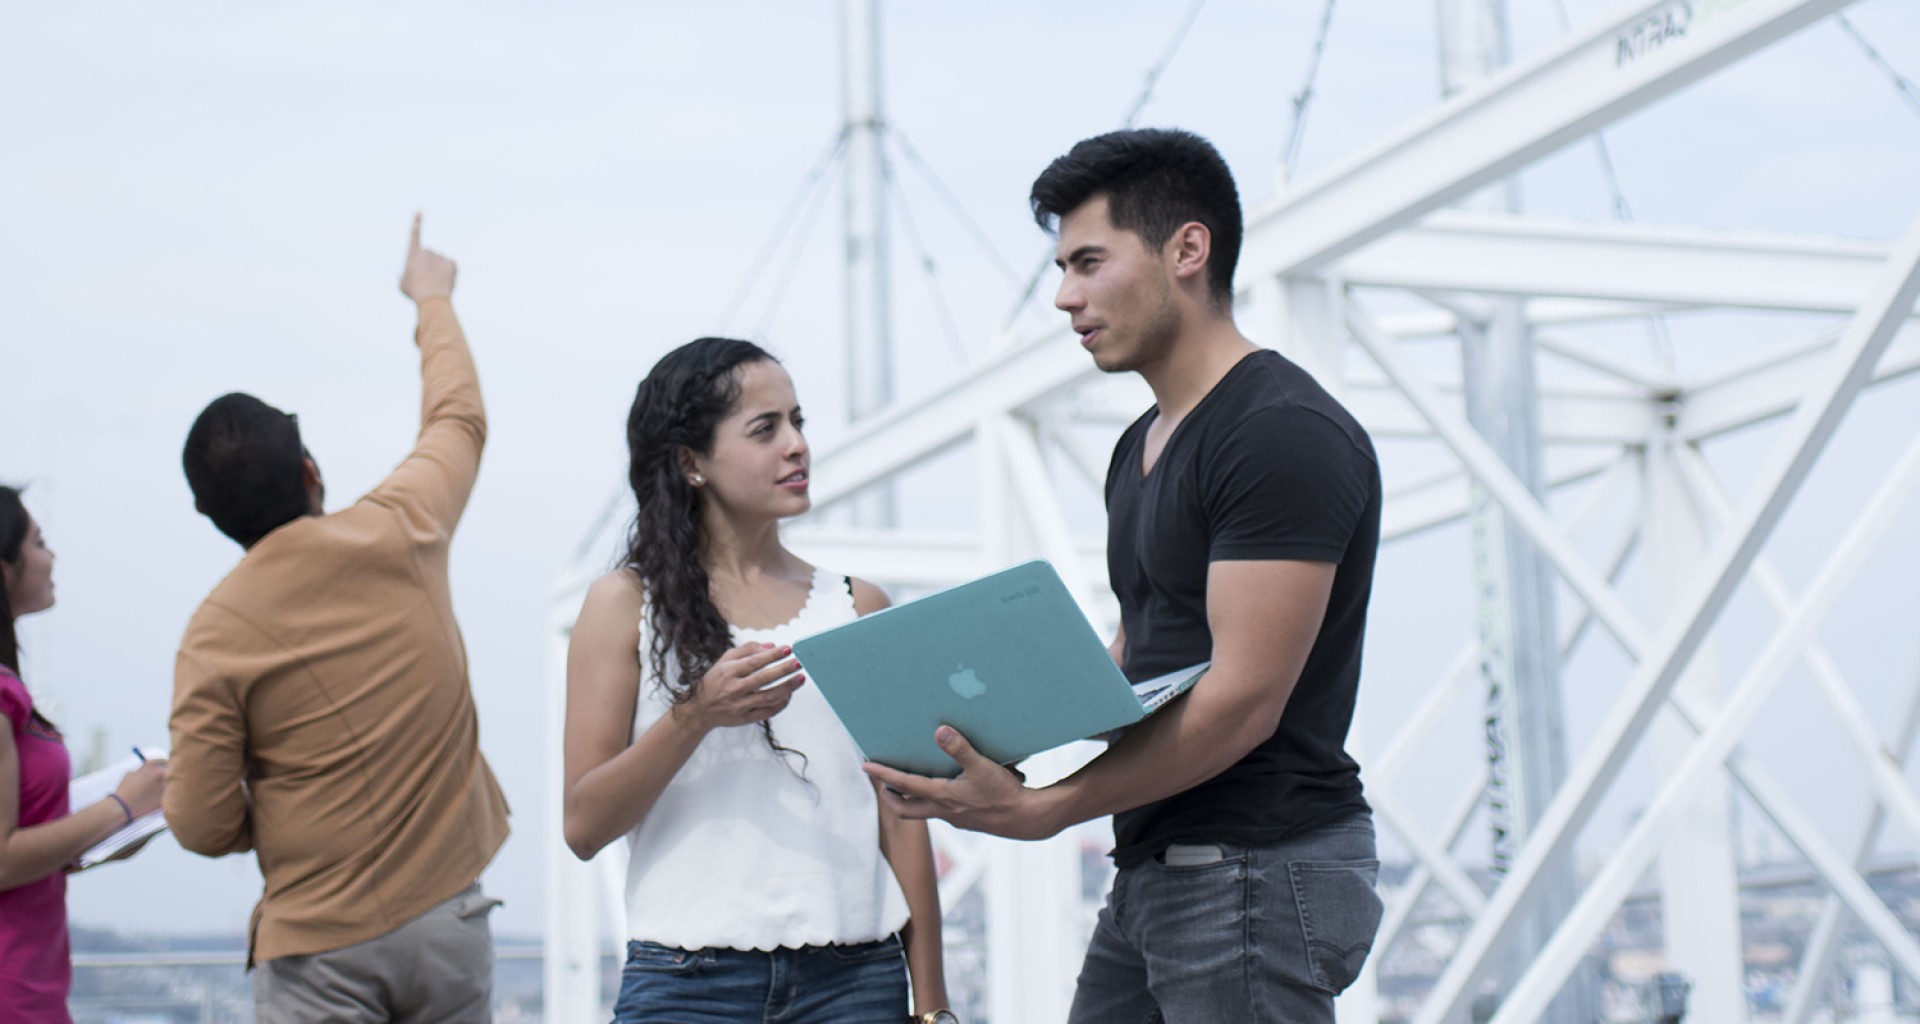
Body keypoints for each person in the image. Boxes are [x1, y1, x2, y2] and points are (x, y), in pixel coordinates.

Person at [864, 128, 1386, 1023]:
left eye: (1089, 263)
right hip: (1163, 865)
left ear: (1189, 248)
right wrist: (983, 735)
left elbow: (1243, 700)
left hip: (1255, 866)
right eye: (1061, 269)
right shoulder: (1138, 446)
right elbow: (1143, 647)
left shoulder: (1279, 432)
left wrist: (1048, 809)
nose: (1066, 298)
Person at [166, 217, 510, 1024]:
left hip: (317, 949)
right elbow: (457, 418)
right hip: (448, 924)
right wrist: (431, 297)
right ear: (312, 471)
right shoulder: (404, 526)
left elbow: (199, 822)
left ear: (214, 518)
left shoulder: (213, 633)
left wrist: (288, 815)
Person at [563, 337, 955, 1024]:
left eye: (799, 420)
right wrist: (694, 717)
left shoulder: (858, 604)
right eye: (765, 428)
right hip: (685, 985)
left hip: (857, 982)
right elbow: (584, 825)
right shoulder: (623, 604)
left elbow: (904, 820)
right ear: (691, 462)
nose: (797, 445)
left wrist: (934, 1009)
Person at [0, 486, 170, 1023]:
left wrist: (98, 840)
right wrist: (120, 807)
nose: (51, 557)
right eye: (38, 542)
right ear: (4, 567)